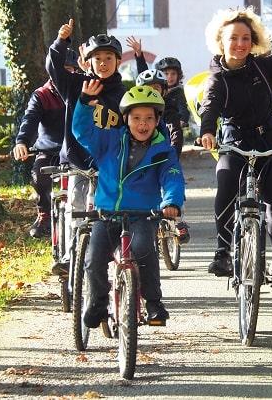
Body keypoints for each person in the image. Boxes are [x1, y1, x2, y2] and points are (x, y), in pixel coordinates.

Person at [199, 6, 272, 292]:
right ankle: (222, 251)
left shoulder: (264, 67)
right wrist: (206, 130)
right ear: (221, 41)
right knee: (226, 182)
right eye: (233, 38)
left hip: (269, 141)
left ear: (253, 42)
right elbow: (210, 106)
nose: (240, 44)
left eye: (246, 38)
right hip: (234, 142)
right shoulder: (217, 77)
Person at [72, 83, 185, 327]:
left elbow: (173, 176)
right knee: (94, 258)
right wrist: (83, 103)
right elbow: (82, 132)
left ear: (157, 121)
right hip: (108, 214)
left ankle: (153, 302)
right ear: (126, 119)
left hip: (142, 215)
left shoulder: (163, 150)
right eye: (136, 118)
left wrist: (171, 202)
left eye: (148, 118)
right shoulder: (110, 141)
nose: (142, 124)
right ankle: (98, 303)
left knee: (145, 249)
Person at [46, 19, 126, 273]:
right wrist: (61, 42)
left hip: (108, 163)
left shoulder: (124, 94)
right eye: (97, 58)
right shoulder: (75, 84)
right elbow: (54, 67)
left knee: (104, 209)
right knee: (76, 205)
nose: (103, 63)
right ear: (88, 60)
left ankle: (109, 255)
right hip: (77, 160)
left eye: (109, 58)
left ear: (118, 62)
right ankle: (71, 254)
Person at [134, 69, 191, 244]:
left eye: (156, 88)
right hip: (140, 163)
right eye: (148, 88)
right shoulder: (132, 114)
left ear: (164, 91)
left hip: (164, 155)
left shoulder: (168, 111)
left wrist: (172, 152)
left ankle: (178, 221)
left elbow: (175, 132)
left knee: (173, 181)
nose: (152, 91)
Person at [13, 77, 65, 238]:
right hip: (49, 150)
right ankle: (44, 214)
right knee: (39, 176)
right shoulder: (41, 95)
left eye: (69, 71)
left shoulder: (82, 90)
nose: (64, 74)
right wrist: (22, 141)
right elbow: (30, 119)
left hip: (76, 151)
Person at [126, 37, 190, 158]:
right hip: (151, 122)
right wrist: (139, 55)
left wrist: (183, 119)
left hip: (168, 121)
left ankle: (172, 157)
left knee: (175, 129)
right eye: (166, 74)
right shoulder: (151, 93)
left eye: (173, 74)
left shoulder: (178, 92)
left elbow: (183, 107)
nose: (170, 77)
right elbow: (144, 75)